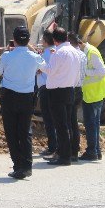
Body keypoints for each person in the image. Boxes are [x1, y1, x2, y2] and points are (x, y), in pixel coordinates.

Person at [0, 26, 45, 179]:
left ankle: (18, 165)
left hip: (9, 96)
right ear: (28, 40)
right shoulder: (35, 57)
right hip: (27, 97)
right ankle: (27, 166)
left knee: (11, 132)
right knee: (25, 132)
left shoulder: (6, 56)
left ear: (14, 40)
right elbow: (45, 68)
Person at [43, 27, 80, 166]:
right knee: (68, 124)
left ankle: (63, 157)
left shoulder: (59, 53)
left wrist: (40, 63)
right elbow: (76, 73)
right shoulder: (74, 52)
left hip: (57, 92)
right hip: (70, 89)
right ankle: (68, 153)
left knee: (60, 125)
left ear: (54, 40)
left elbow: (50, 71)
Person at [77, 34, 105, 161]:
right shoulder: (88, 51)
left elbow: (102, 71)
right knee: (94, 124)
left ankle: (92, 151)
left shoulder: (91, 52)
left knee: (91, 124)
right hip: (92, 93)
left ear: (79, 43)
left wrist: (84, 71)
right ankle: (97, 150)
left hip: (94, 94)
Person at [37, 31, 59, 155]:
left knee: (48, 119)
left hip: (45, 88)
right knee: (55, 118)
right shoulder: (56, 51)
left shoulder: (45, 54)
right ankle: (56, 145)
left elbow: (38, 69)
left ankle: (52, 146)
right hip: (55, 87)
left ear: (45, 41)